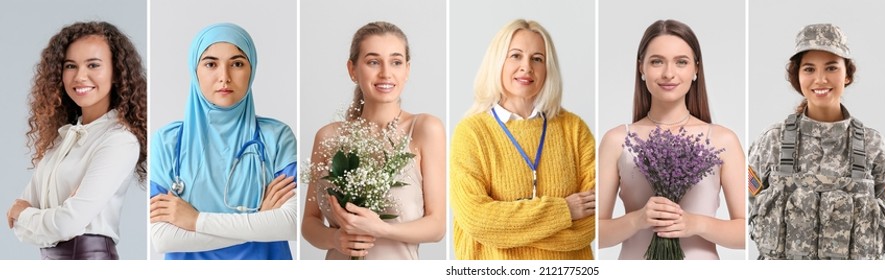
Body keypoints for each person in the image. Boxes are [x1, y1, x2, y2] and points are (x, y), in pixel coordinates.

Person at [597, 19, 745, 260]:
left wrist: (696, 224)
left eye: (681, 62)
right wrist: (638, 219)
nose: (669, 73)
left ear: (696, 69)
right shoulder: (617, 140)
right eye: (657, 61)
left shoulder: (722, 140)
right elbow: (595, 233)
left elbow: (748, 230)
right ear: (641, 68)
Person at [148, 23, 298, 260]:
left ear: (252, 69)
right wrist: (260, 222)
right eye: (210, 64)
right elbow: (163, 238)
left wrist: (195, 220)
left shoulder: (276, 137)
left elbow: (289, 223)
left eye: (237, 64)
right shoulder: (168, 141)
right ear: (194, 70)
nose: (224, 77)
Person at [450, 19, 595, 260]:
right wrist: (564, 211)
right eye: (515, 56)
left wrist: (508, 232)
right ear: (498, 62)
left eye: (537, 59)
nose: (526, 67)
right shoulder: (471, 133)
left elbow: (591, 222)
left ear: (548, 68)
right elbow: (476, 219)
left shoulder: (574, 129)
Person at [747, 23, 885, 260]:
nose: (820, 79)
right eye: (809, 69)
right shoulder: (772, 140)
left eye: (831, 67)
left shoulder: (872, 144)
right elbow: (750, 206)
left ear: (847, 75)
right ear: (797, 76)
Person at [301, 21, 446, 260]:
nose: (386, 73)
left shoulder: (425, 129)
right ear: (352, 69)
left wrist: (382, 228)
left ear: (407, 70)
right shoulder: (328, 137)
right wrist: (335, 239)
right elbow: (309, 222)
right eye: (373, 62)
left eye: (396, 62)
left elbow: (437, 225)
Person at [6, 21, 147, 260]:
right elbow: (18, 228)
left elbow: (65, 224)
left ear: (116, 73)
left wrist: (27, 214)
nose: (80, 76)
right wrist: (44, 219)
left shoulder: (119, 141)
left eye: (93, 65)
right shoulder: (60, 140)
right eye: (70, 66)